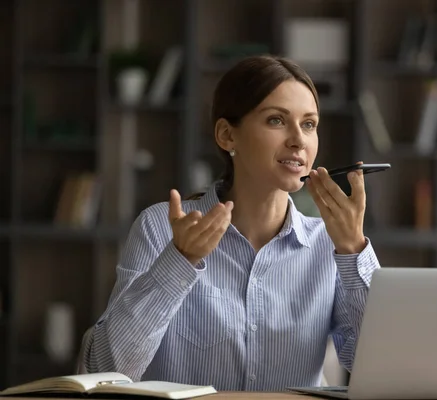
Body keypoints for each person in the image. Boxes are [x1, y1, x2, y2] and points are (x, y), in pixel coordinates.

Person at [83, 54, 381, 392]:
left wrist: (353, 250)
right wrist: (179, 262)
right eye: (276, 120)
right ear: (227, 135)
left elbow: (382, 367)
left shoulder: (332, 245)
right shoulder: (161, 229)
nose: (299, 140)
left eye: (309, 124)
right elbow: (105, 369)